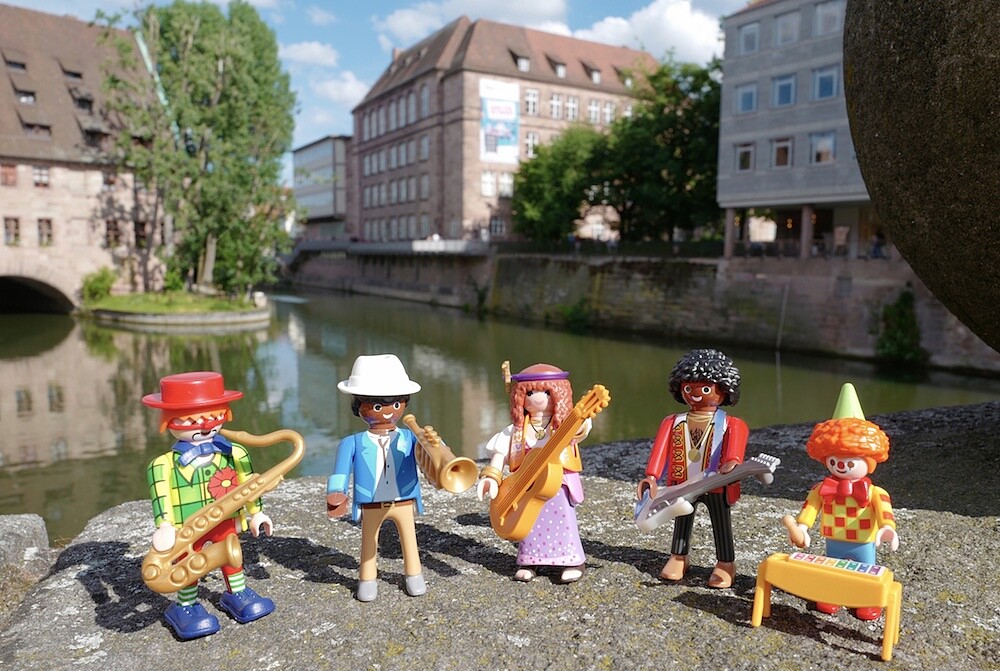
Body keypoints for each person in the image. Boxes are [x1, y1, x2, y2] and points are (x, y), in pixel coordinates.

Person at [142, 371, 275, 640]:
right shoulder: (162, 465)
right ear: (168, 420)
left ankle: (237, 591)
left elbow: (249, 485)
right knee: (187, 564)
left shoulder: (235, 453)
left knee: (233, 557)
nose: (204, 426)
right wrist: (164, 525)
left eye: (214, 417)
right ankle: (186, 605)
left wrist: (256, 512)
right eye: (192, 420)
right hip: (187, 529)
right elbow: (161, 497)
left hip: (225, 521)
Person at [636, 349, 749, 588]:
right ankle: (679, 556)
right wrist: (651, 476)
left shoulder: (731, 424)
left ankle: (725, 563)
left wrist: (732, 463)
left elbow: (734, 452)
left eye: (705, 389)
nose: (695, 394)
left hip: (716, 484)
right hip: (681, 483)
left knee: (721, 522)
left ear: (723, 390)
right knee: (682, 520)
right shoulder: (672, 422)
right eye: (688, 388)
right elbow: (660, 452)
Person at [787, 383, 898, 621]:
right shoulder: (822, 489)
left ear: (869, 462)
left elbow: (885, 512)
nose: (841, 466)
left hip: (863, 540)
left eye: (849, 462)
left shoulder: (875, 492)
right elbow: (810, 508)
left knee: (866, 571)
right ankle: (832, 595)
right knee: (833, 568)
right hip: (834, 537)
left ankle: (867, 600)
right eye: (835, 461)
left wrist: (888, 528)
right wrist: (803, 527)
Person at [326, 354, 428, 602]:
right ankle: (367, 578)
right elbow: (340, 471)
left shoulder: (410, 437)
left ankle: (414, 575)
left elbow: (429, 458)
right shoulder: (352, 442)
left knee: (410, 540)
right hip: (370, 502)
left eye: (396, 404)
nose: (388, 412)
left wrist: (435, 448)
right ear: (359, 406)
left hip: (404, 498)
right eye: (377, 406)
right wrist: (336, 493)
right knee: (368, 543)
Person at [477, 363, 590, 583]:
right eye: (530, 393)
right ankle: (530, 561)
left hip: (558, 484)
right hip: (526, 487)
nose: (538, 398)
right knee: (528, 523)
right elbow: (500, 453)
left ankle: (570, 561)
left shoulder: (561, 426)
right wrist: (491, 477)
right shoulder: (516, 431)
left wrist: (579, 421)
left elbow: (579, 430)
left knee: (563, 521)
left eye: (546, 392)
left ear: (558, 394)